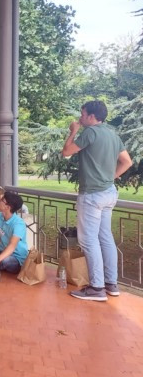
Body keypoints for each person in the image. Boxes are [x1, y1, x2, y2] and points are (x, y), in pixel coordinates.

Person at [61, 100, 132, 301]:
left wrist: (73, 131)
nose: (80, 118)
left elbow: (66, 152)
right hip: (109, 193)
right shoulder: (112, 134)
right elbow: (127, 162)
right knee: (105, 238)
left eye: (82, 114)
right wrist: (111, 177)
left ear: (92, 117)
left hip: (92, 195)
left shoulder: (90, 132)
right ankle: (111, 284)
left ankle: (97, 288)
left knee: (88, 240)